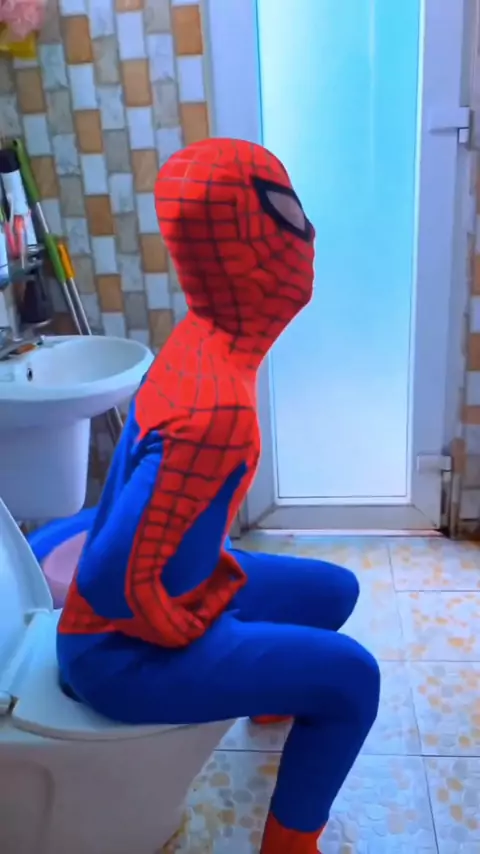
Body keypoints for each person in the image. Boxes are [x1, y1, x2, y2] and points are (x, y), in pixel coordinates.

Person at [57, 138, 380, 854]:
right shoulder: (217, 409)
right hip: (116, 657)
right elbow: (108, 579)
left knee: (332, 592)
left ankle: (268, 697)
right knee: (354, 679)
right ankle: (291, 845)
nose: (308, 235)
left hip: (160, 592)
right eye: (286, 213)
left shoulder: (200, 336)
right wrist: (182, 624)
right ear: (236, 244)